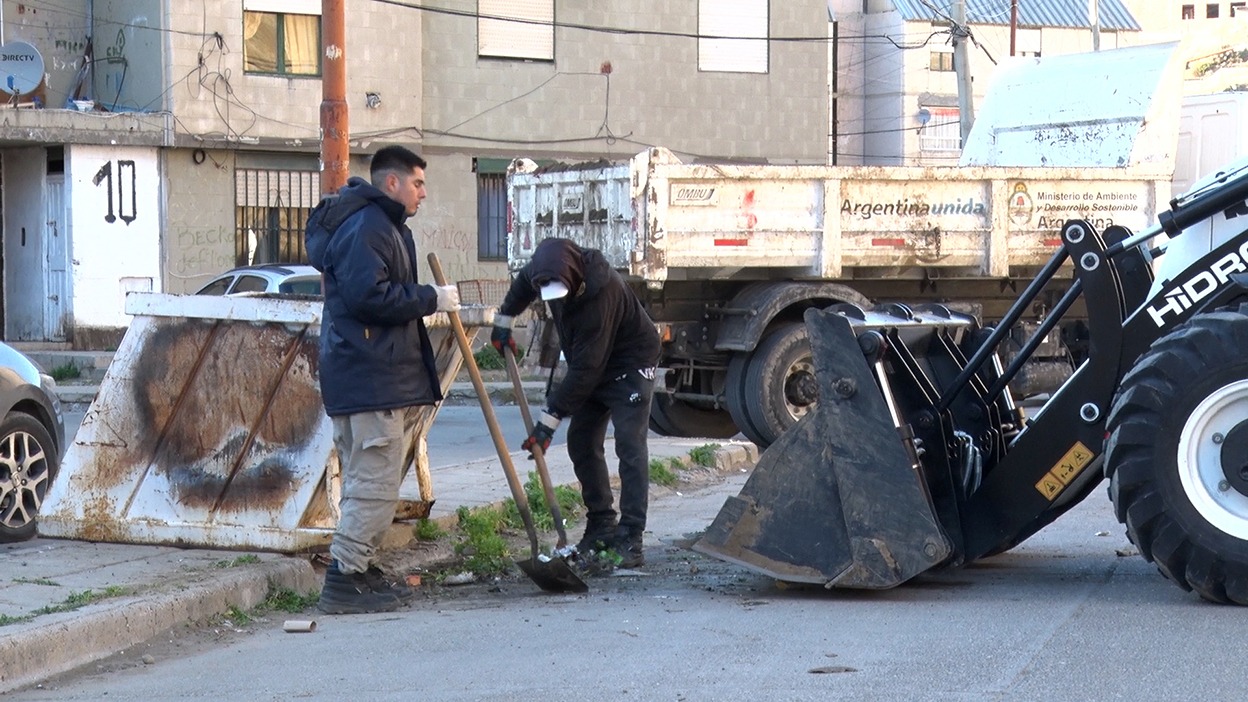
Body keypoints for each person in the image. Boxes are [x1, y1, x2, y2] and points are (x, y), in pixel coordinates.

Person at [305, 145, 460, 614]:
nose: (424, 194)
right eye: (418, 184)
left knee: (365, 481)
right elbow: (370, 297)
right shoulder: (369, 227)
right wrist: (430, 297)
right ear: (391, 182)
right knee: (374, 485)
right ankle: (343, 579)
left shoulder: (377, 224)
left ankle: (360, 569)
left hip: (362, 373)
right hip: (370, 376)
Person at [491, 238, 661, 567]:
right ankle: (601, 525)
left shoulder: (603, 290)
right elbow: (523, 286)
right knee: (581, 441)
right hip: (591, 360)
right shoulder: (543, 270)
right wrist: (503, 322)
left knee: (629, 443)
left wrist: (548, 421)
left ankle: (630, 537)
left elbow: (586, 371)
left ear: (573, 278)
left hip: (629, 362)